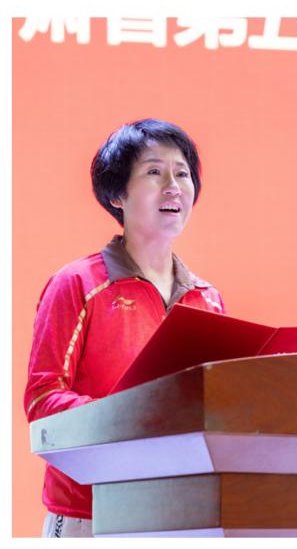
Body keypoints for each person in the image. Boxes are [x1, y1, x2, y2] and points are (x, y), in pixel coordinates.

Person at [23, 119, 225, 537]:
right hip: (90, 512)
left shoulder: (207, 298)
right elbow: (43, 398)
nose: (173, 186)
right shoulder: (78, 284)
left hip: (182, 511)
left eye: (182, 173)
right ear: (117, 194)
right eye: (154, 171)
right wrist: (130, 417)